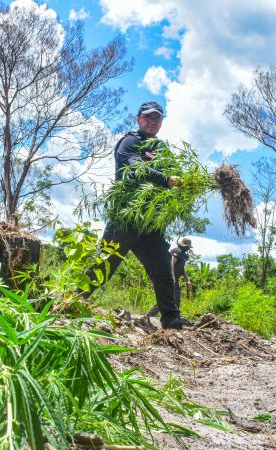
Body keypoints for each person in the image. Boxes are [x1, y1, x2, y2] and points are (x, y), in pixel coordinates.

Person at [83, 101, 194, 330]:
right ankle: (71, 302)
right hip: (126, 218)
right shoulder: (130, 141)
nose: (153, 121)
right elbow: (134, 168)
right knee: (103, 266)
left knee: (163, 270)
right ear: (139, 119)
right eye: (149, 117)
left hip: (150, 223)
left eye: (158, 118)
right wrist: (165, 180)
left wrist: (188, 183)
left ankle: (171, 319)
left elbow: (176, 173)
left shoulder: (162, 149)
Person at [146, 237, 193, 318]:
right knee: (168, 298)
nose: (187, 248)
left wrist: (187, 279)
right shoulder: (177, 251)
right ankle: (149, 315)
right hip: (169, 278)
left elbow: (182, 268)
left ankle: (174, 317)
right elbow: (172, 263)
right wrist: (172, 277)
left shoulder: (183, 254)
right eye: (186, 246)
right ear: (181, 245)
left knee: (176, 298)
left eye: (188, 247)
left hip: (174, 279)